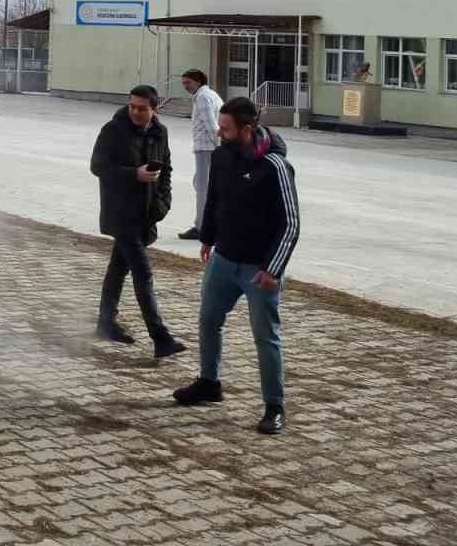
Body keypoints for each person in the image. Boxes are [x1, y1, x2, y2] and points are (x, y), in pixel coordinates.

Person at [173, 96, 300, 435]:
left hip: (260, 270)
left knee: (265, 337)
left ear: (246, 130)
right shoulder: (222, 155)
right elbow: (215, 197)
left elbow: (290, 225)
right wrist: (208, 238)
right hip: (223, 260)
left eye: (225, 128)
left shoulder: (275, 166)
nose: (219, 131)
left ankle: (274, 407)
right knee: (208, 321)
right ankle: (208, 383)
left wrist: (273, 269)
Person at [90, 84, 186, 359]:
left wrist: (163, 203)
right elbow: (98, 166)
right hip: (121, 213)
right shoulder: (113, 130)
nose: (135, 111)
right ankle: (160, 337)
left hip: (146, 213)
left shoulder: (160, 132)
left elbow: (165, 169)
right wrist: (135, 174)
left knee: (118, 268)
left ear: (154, 110)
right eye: (132, 106)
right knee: (143, 273)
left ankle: (105, 323)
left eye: (142, 108)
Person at [177, 69, 223, 240]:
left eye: (188, 82)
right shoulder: (210, 94)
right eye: (183, 83)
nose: (185, 86)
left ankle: (202, 226)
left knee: (203, 188)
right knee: (200, 183)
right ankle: (209, 223)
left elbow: (212, 125)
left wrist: (219, 148)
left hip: (206, 147)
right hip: (209, 147)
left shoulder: (203, 98)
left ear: (198, 81)